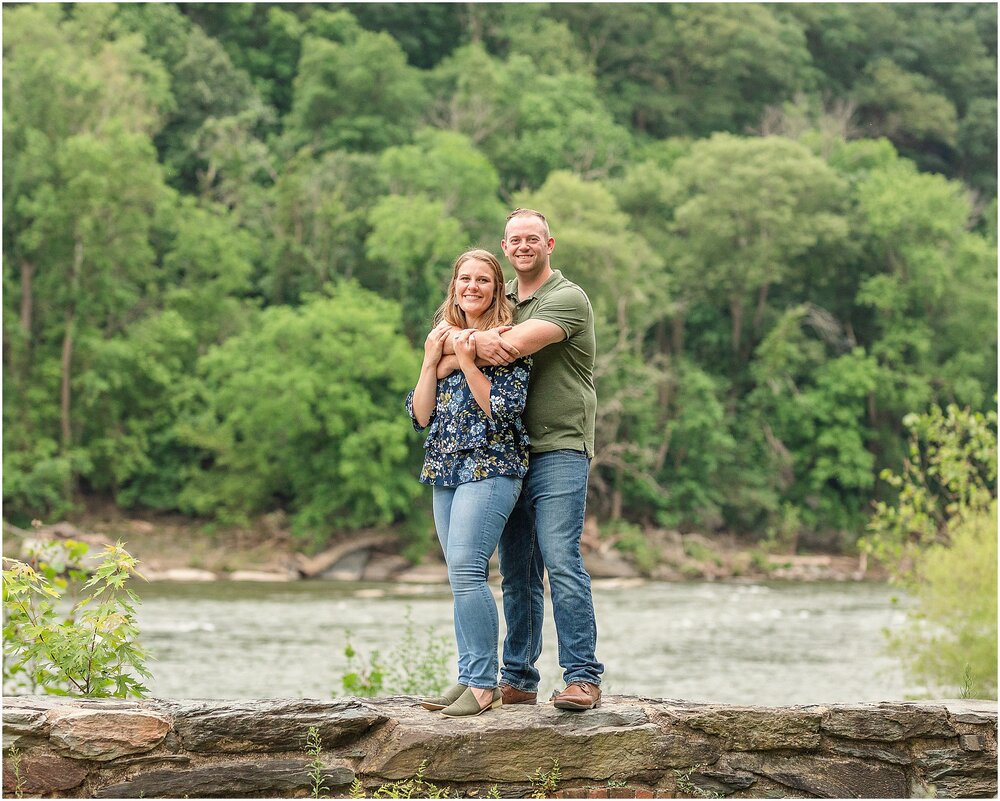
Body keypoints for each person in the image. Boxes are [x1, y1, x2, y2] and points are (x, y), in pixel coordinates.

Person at [436, 209, 604, 710]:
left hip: (559, 445)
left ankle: (582, 677)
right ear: (505, 248)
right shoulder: (500, 296)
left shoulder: (566, 299)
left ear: (549, 243)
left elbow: (507, 348)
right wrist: (458, 343)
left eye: (533, 238)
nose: (524, 245)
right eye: (515, 239)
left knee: (559, 557)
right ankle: (517, 679)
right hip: (506, 450)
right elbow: (447, 349)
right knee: (517, 570)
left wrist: (457, 341)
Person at [405, 249, 531, 718]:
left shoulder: (507, 340)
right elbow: (420, 414)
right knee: (459, 577)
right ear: (453, 286)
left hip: (492, 463)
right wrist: (431, 361)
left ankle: (483, 684)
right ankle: (467, 677)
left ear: (496, 288)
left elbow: (500, 409)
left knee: (466, 567)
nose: (472, 286)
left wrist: (466, 359)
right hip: (445, 466)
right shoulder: (439, 338)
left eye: (483, 280)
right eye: (464, 279)